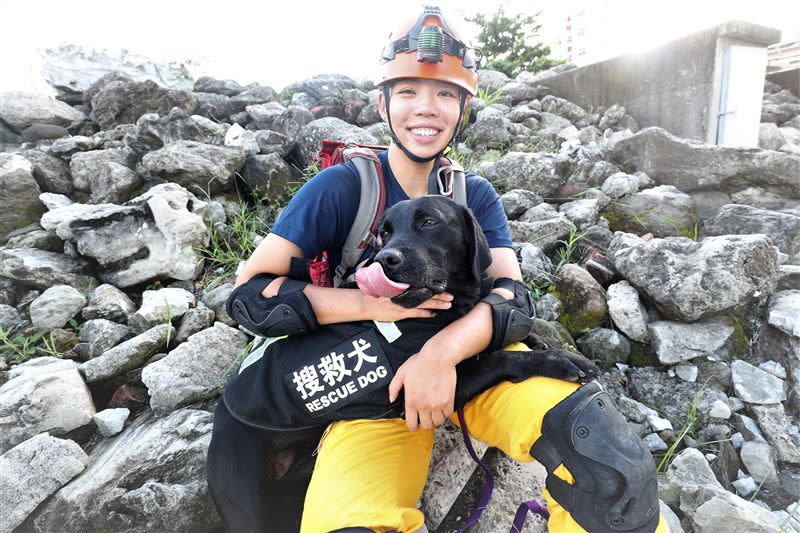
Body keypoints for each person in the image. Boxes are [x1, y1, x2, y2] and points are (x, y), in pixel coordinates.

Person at [232, 6, 668, 532]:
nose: (426, 109)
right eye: (409, 91)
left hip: (471, 355)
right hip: (368, 388)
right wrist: (368, 303)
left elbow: (513, 296)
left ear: (464, 105)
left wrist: (439, 355)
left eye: (444, 94)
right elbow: (250, 294)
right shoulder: (342, 187)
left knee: (608, 466)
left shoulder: (474, 196)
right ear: (383, 101)